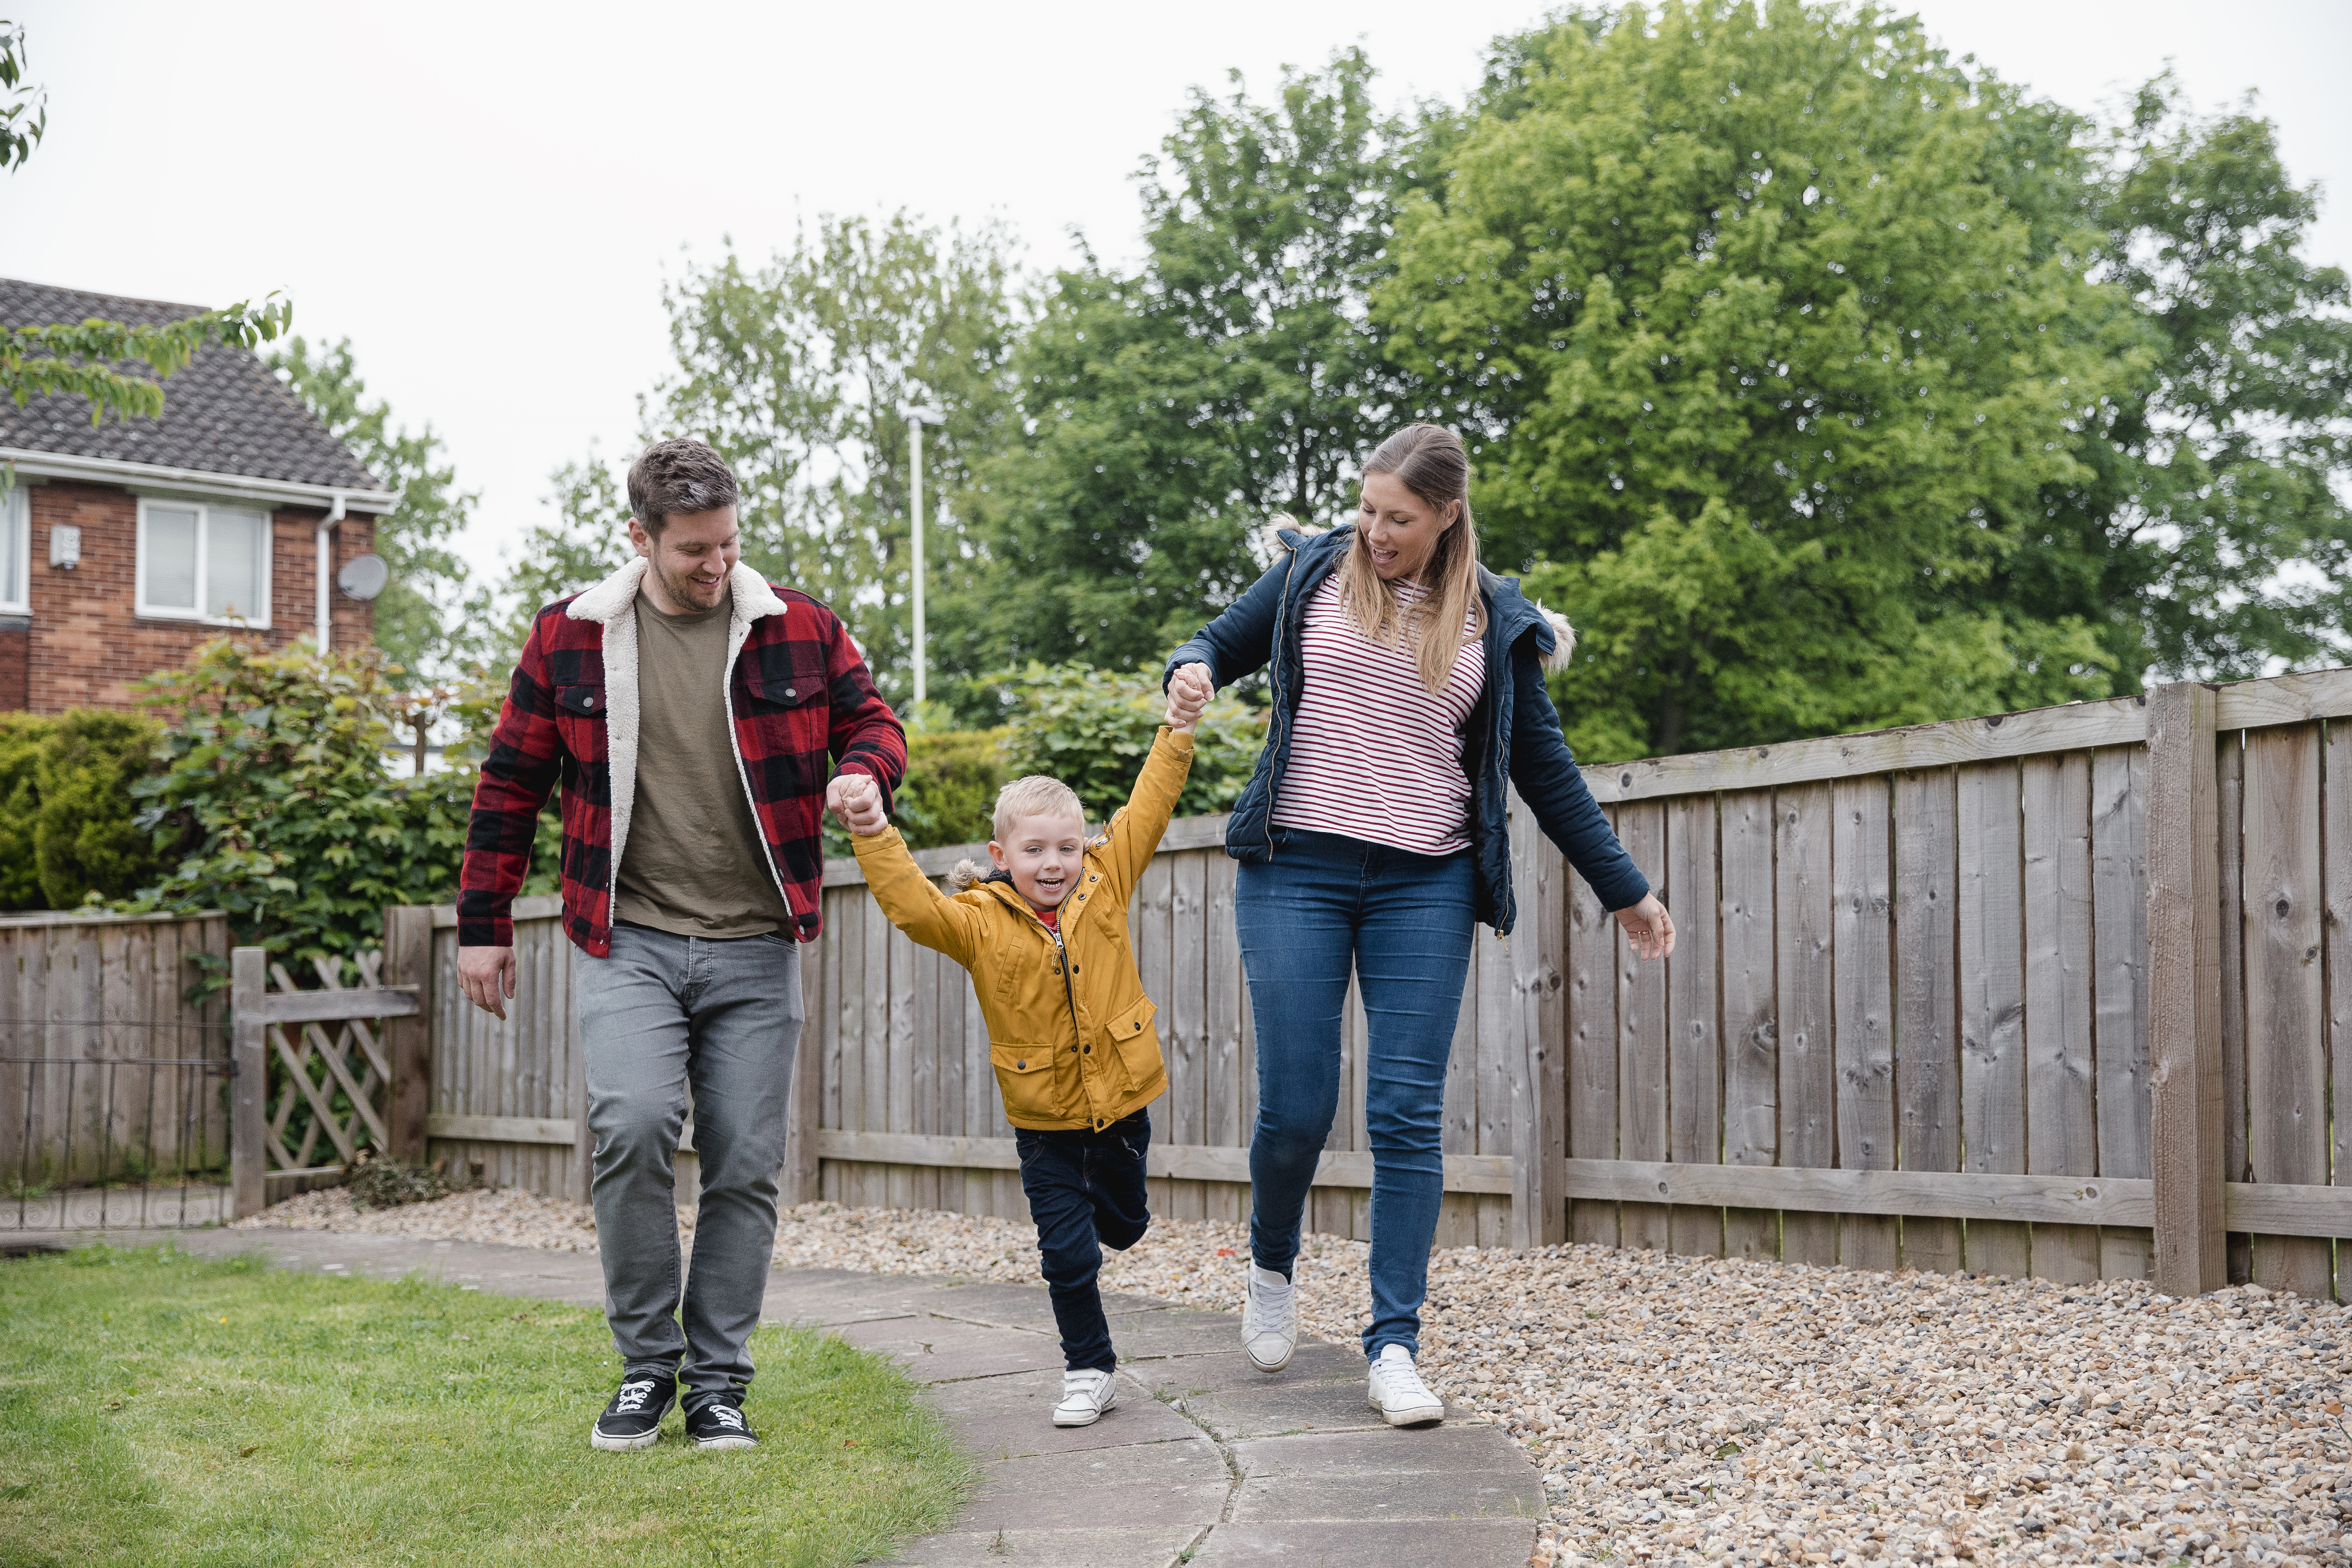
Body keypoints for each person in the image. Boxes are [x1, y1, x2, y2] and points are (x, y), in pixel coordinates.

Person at [1162, 422, 1674, 1427]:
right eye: (1368, 510)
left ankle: (1393, 1344)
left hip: (1425, 884)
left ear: (1447, 517)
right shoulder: (1314, 572)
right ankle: (1272, 1267)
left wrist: (1626, 888)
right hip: (1296, 869)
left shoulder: (1494, 622)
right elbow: (1215, 642)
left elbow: (1546, 773)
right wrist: (1191, 671)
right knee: (1298, 1106)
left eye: (1399, 518)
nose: (1376, 530)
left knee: (1405, 1117)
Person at [453, 438, 906, 1452]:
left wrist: (868, 772)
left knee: (745, 1163)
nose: (717, 566)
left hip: (757, 943)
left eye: (730, 545)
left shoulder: (798, 628)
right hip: (630, 941)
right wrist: (482, 928)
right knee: (633, 1127)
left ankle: (718, 1386)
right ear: (641, 538)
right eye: (695, 550)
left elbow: (872, 721)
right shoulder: (569, 639)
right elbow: (509, 788)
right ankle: (646, 1368)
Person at [829, 671, 1212, 1427]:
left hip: (1124, 1106)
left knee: (1125, 1227)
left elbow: (1151, 806)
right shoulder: (977, 922)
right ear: (1002, 853)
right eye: (1035, 849)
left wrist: (1178, 727)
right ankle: (1089, 1368)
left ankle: (1118, 1222)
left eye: (1066, 847)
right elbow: (910, 905)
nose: (1054, 863)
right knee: (1068, 1255)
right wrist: (873, 831)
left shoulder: (1107, 879)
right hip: (1046, 1124)